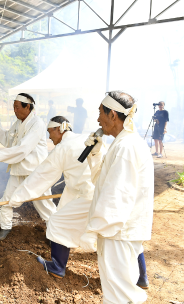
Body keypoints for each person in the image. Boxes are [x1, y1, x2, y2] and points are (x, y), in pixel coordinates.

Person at [80, 91, 153, 303]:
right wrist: (95, 152)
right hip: (118, 230)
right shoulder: (123, 143)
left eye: (100, 113)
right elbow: (102, 181)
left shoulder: (126, 147)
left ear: (113, 115)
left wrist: (92, 229)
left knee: (119, 293)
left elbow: (116, 195)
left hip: (118, 231)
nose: (97, 119)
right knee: (117, 290)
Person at [9, 116, 94, 278]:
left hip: (86, 195)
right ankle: (141, 276)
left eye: (50, 132)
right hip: (100, 192)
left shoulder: (63, 148)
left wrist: (17, 197)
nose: (49, 137)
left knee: (57, 222)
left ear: (59, 129)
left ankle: (56, 266)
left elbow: (41, 176)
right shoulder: (86, 139)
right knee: (118, 231)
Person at [0, 93, 56, 241]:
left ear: (27, 107)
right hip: (19, 170)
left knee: (44, 204)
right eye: (14, 108)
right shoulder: (18, 123)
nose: (15, 111)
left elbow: (23, 149)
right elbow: (9, 141)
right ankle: (5, 227)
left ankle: (55, 232)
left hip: (35, 172)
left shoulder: (37, 124)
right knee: (6, 200)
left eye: (17, 107)